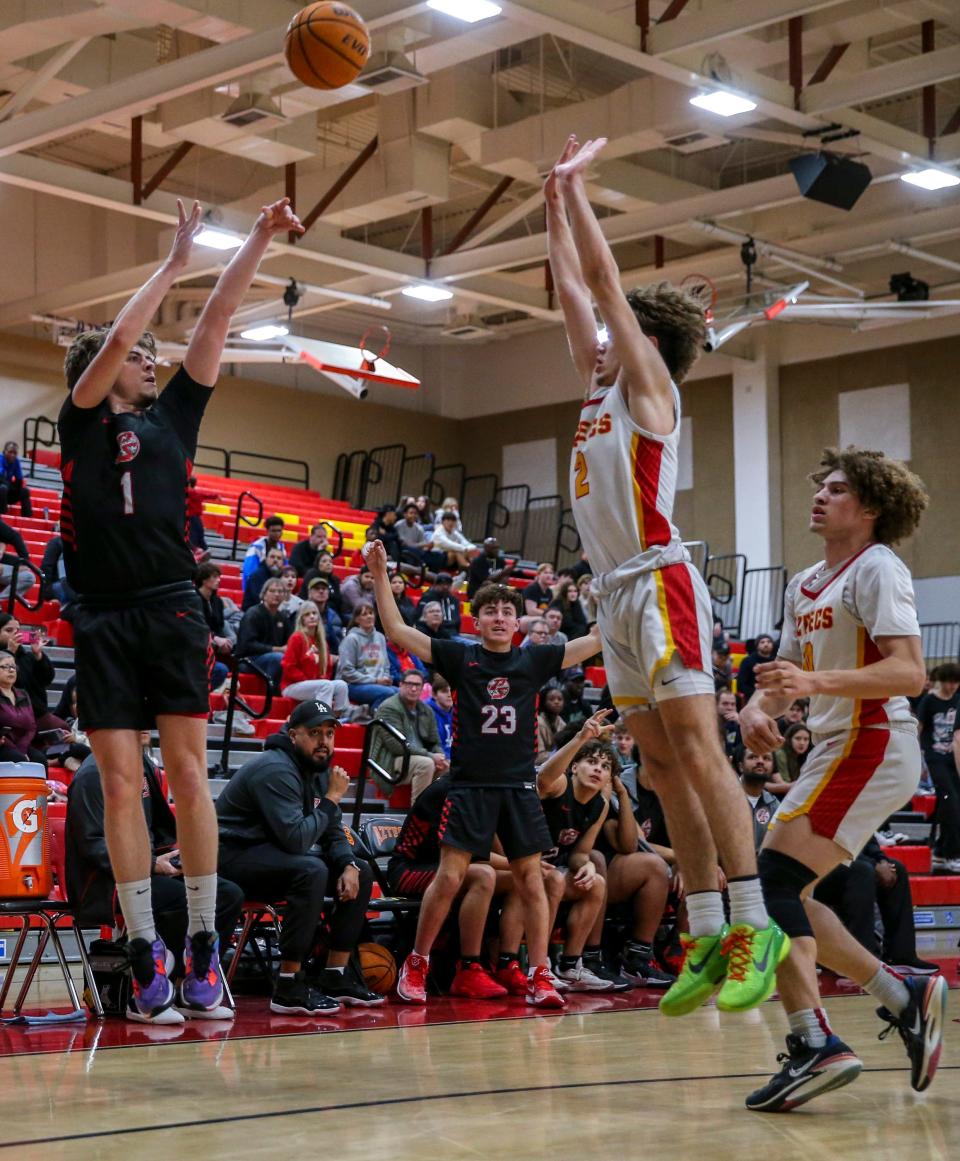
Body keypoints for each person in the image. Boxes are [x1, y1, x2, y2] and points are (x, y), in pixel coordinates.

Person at [548, 133, 784, 1022]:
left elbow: (605, 288)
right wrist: (548, 210)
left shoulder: (652, 393)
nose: (600, 339)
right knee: (654, 763)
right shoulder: (595, 393)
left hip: (659, 583)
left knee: (696, 749)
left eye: (619, 335)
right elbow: (574, 292)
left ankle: (753, 924)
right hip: (612, 595)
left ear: (648, 345)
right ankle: (704, 931)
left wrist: (579, 193)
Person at [57, 195, 302, 1022]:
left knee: (190, 773)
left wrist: (260, 238)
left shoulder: (175, 418)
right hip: (100, 612)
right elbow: (120, 339)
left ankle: (199, 936)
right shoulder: (81, 419)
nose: (151, 362)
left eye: (155, 355)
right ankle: (140, 942)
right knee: (120, 784)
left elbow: (221, 316)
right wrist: (170, 263)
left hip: (166, 606)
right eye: (140, 357)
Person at [740, 445, 946, 1111]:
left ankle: (815, 1039)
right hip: (836, 743)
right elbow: (790, 679)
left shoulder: (879, 568)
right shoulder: (806, 582)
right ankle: (899, 993)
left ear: (873, 507)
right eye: (820, 486)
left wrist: (814, 682)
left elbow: (909, 672)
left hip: (874, 739)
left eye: (837, 489)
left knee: (770, 882)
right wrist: (754, 708)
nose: (821, 496)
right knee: (783, 888)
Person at [367, 537, 603, 1008]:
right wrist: (378, 573)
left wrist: (608, 592)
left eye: (506, 612)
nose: (499, 617)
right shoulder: (460, 657)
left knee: (533, 880)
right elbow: (395, 628)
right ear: (478, 620)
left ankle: (540, 974)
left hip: (518, 786)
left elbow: (597, 640)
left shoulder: (534, 659)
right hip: (470, 784)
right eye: (490, 610)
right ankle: (417, 962)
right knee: (451, 877)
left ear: (518, 622)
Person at [216, 700, 383, 1014]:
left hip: (272, 855)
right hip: (232, 858)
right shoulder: (275, 769)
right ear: (293, 735)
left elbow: (331, 829)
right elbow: (296, 840)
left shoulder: (316, 768)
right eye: (315, 733)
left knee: (360, 869)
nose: (324, 741)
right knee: (311, 870)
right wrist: (333, 798)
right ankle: (289, 984)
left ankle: (336, 974)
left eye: (330, 733)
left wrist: (347, 863)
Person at [66, 738, 243, 1021]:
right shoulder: (90, 775)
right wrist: (151, 864)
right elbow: (93, 846)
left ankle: (193, 984)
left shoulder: (144, 765)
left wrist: (179, 855)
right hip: (102, 883)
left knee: (226, 893)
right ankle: (150, 985)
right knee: (175, 899)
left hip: (146, 871)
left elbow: (162, 827)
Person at [386, 772, 508, 999]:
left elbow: (493, 843)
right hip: (409, 869)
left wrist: (525, 869)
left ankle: (506, 964)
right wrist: (520, 865)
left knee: (520, 881)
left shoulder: (488, 791)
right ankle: (465, 967)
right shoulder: (453, 791)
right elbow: (467, 856)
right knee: (484, 875)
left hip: (447, 868)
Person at [536, 716, 619, 991]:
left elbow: (580, 853)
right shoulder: (561, 785)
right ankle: (540, 965)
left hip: (552, 871)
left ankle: (571, 966)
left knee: (596, 884)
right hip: (524, 868)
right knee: (556, 880)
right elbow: (543, 779)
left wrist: (587, 866)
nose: (598, 769)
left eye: (605, 766)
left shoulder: (601, 804)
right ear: (574, 767)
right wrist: (581, 738)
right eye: (592, 762)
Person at [812, 836, 939, 977]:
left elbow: (867, 838)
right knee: (862, 870)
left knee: (897, 869)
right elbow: (828, 844)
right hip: (811, 869)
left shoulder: (856, 814)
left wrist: (881, 860)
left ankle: (900, 956)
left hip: (847, 862)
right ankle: (860, 960)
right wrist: (874, 864)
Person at [370, 670, 449, 801]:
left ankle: (435, 813)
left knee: (447, 767)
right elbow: (397, 746)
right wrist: (431, 756)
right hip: (390, 760)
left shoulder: (426, 710)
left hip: (416, 758)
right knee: (426, 764)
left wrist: (440, 757)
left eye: (417, 685)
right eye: (409, 684)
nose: (413, 689)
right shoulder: (389, 707)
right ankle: (417, 815)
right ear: (400, 685)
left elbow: (435, 742)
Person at [915, 663, 960, 872]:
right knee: (949, 800)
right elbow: (919, 728)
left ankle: (940, 851)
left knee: (949, 804)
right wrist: (918, 760)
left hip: (954, 759)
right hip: (934, 757)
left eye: (956, 682)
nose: (952, 687)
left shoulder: (958, 700)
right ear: (941, 680)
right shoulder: (929, 701)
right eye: (949, 682)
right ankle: (951, 853)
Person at [281, 601, 350, 717]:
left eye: (314, 613)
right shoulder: (296, 638)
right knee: (326, 685)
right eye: (307, 614)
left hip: (315, 685)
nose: (312, 616)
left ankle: (337, 716)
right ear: (302, 619)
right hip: (292, 686)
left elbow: (327, 669)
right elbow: (288, 666)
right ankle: (321, 718)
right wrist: (307, 680)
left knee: (341, 685)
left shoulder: (321, 641)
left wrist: (319, 681)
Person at [335, 602, 394, 710]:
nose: (369, 616)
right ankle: (373, 722)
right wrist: (375, 680)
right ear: (357, 620)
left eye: (371, 613)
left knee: (402, 693)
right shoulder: (351, 639)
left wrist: (385, 678)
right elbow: (347, 672)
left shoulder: (380, 637)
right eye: (364, 614)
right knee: (389, 693)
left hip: (378, 684)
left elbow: (386, 665)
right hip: (354, 685)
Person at [236, 576, 291, 690]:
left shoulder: (283, 617)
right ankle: (271, 695)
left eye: (280, 591)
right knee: (278, 658)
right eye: (272, 591)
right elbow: (247, 645)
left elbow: (289, 641)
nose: (276, 594)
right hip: (248, 660)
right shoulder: (253, 613)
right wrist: (276, 649)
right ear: (264, 594)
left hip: (271, 657)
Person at [194, 562, 238, 692]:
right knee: (221, 669)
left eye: (219, 576)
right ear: (203, 578)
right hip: (197, 646)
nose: (218, 580)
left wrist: (224, 641)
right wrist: (215, 639)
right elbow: (196, 627)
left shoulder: (217, 601)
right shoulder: (194, 599)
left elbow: (219, 627)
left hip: (212, 647)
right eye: (214, 576)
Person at [0, 649, 47, 766]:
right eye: (5, 666)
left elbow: (31, 726)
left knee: (40, 760)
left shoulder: (23, 694)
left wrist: (22, 747)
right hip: (3, 744)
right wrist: (16, 750)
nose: (11, 670)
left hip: (22, 745)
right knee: (18, 759)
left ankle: (41, 785)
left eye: (13, 666)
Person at [734, 746, 782, 853]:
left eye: (766, 758)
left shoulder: (774, 805)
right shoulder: (724, 799)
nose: (760, 761)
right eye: (753, 757)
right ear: (740, 766)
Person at [241, 515, 286, 586]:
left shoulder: (282, 549)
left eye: (279, 531)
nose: (277, 534)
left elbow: (285, 571)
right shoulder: (255, 548)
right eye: (273, 531)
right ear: (267, 531)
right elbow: (249, 573)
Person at [736, 633, 777, 705]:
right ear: (757, 646)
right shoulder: (748, 661)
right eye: (762, 642)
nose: (766, 644)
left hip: (772, 698)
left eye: (769, 642)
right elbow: (741, 685)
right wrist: (757, 693)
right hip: (752, 698)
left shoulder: (776, 661)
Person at [242, 545, 285, 611]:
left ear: (283, 562)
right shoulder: (257, 576)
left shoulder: (284, 576)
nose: (275, 560)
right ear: (266, 559)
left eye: (279, 558)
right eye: (272, 557)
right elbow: (258, 599)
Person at [185, 476, 219, 556]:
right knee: (196, 532)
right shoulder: (191, 492)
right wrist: (215, 496)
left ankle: (202, 549)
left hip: (193, 516)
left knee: (197, 532)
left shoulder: (190, 492)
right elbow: (204, 495)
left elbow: (203, 495)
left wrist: (214, 496)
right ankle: (200, 549)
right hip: (192, 516)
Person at [520, 563, 556, 632]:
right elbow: (531, 611)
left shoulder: (549, 592)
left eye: (551, 573)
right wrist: (549, 615)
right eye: (545, 573)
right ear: (539, 575)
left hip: (541, 617)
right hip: (524, 618)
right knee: (546, 621)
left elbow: (549, 608)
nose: (549, 575)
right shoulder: (532, 588)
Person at [0, 441, 32, 517]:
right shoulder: (0, 459)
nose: (12, 455)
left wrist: (14, 486)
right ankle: (3, 515)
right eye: (10, 452)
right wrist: (10, 485)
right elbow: (1, 478)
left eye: (15, 453)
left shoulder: (16, 462)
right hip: (2, 490)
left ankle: (27, 518)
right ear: (5, 452)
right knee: (3, 488)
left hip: (7, 492)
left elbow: (19, 480)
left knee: (25, 491)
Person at [427, 676, 454, 760]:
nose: (449, 694)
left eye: (452, 690)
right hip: (438, 758)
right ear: (434, 695)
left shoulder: (458, 711)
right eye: (445, 691)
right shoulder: (427, 712)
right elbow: (431, 745)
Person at [537, 685, 566, 754]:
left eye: (560, 699)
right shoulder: (537, 722)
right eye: (551, 699)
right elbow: (538, 756)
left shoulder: (562, 723)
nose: (556, 702)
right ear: (543, 702)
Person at [716, 688, 742, 763]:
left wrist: (741, 724)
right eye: (725, 704)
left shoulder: (739, 724)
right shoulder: (710, 724)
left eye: (733, 704)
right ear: (716, 705)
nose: (730, 708)